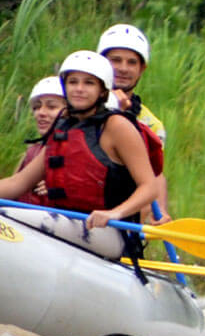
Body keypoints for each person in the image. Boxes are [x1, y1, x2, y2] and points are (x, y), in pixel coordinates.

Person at [0, 51, 163, 260]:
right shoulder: (64, 128)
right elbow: (18, 183)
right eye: (73, 82)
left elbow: (150, 187)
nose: (79, 88)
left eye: (88, 83)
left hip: (110, 231)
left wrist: (115, 213)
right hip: (68, 220)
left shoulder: (117, 126)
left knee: (6, 218)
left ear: (102, 91)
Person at [98, 23, 173, 223]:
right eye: (115, 60)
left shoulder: (150, 124)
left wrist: (162, 211)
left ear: (142, 69)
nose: (123, 68)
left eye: (132, 62)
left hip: (118, 209)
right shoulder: (76, 104)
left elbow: (155, 174)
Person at [16, 77, 65, 199]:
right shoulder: (32, 152)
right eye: (36, 107)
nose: (41, 113)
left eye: (51, 107)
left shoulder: (81, 151)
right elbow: (13, 186)